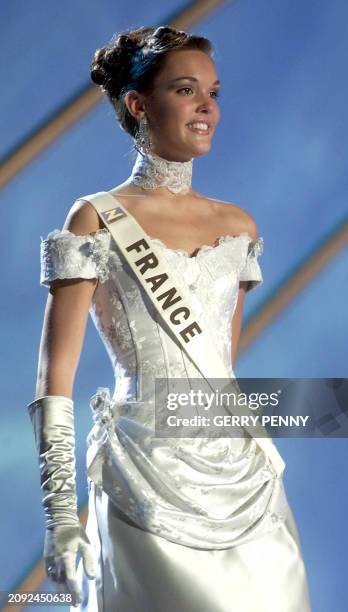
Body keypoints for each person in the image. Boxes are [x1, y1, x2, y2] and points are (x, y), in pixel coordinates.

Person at [27, 25, 312, 611]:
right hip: (145, 473)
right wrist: (59, 516)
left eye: (213, 91)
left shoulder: (239, 227)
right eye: (186, 90)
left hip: (241, 481)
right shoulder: (95, 219)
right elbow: (54, 383)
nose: (207, 106)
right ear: (138, 104)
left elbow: (221, 371)